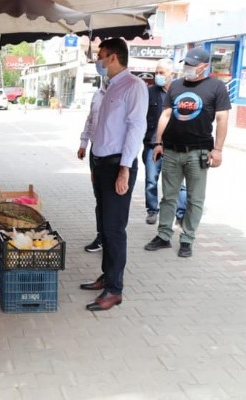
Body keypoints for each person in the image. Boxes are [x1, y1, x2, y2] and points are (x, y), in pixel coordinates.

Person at [79, 38, 148, 311]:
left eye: (101, 55)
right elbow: (99, 125)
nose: (98, 60)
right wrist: (92, 158)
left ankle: (115, 290)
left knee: (114, 229)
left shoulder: (134, 87)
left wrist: (125, 169)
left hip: (119, 164)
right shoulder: (108, 87)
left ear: (113, 57)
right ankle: (106, 276)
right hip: (101, 163)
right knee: (104, 226)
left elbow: (136, 129)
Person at [144, 48, 231, 257]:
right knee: (168, 197)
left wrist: (217, 150)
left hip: (198, 152)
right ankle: (164, 235)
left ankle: (187, 238)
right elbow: (165, 115)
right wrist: (158, 142)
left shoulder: (216, 87)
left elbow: (222, 119)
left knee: (195, 199)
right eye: (186, 64)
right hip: (172, 150)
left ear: (204, 67)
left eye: (193, 65)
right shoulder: (176, 86)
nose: (188, 68)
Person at [143, 58, 188, 226]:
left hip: (174, 147)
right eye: (156, 72)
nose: (158, 75)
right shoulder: (149, 92)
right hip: (152, 145)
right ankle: (152, 211)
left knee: (178, 183)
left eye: (161, 72)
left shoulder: (180, 92)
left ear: (172, 74)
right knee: (151, 180)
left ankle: (181, 213)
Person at [78, 75, 108, 253]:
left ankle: (110, 236)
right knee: (100, 197)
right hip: (95, 151)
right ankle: (101, 235)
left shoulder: (124, 92)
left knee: (111, 200)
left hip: (114, 156)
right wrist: (83, 143)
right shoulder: (97, 95)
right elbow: (90, 120)